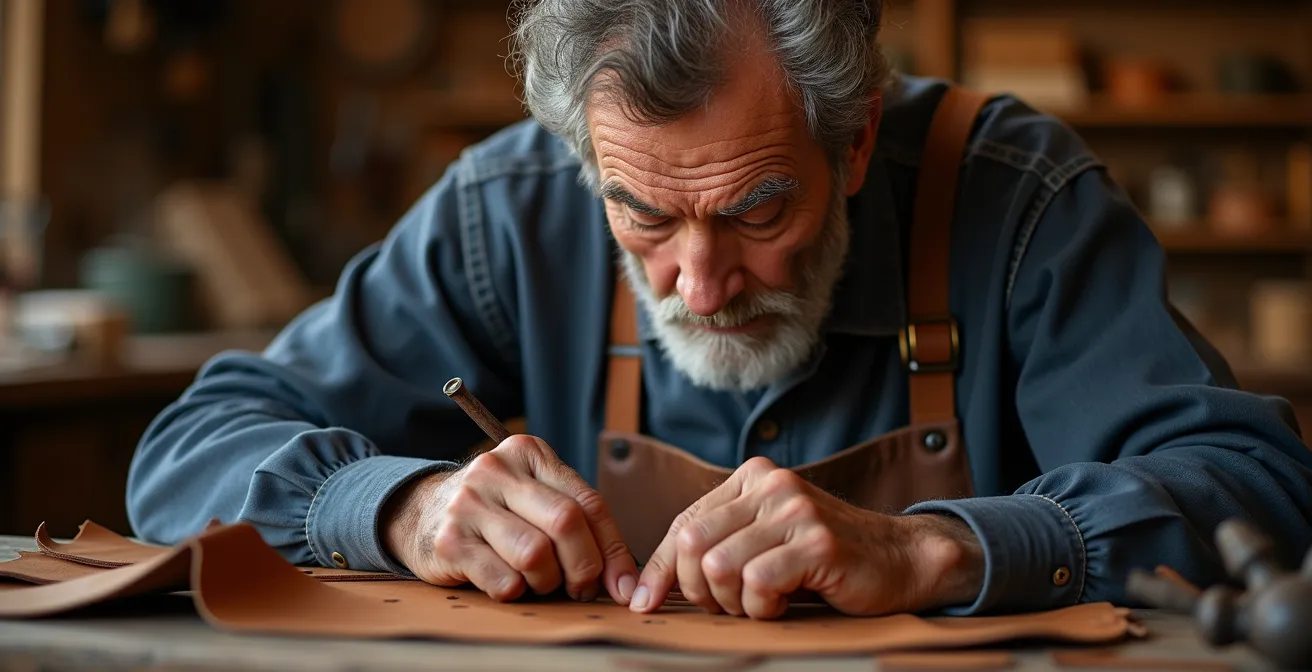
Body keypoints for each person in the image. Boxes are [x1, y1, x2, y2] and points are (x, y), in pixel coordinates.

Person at [127, 0, 1312, 621]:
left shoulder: (1014, 198)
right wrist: (399, 506)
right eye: (640, 214)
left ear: (851, 142)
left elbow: (1253, 485)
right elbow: (184, 457)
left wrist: (933, 549)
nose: (697, 284)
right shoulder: (510, 208)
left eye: (755, 212)